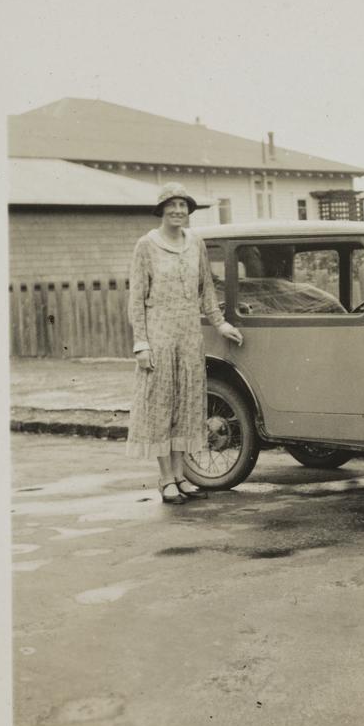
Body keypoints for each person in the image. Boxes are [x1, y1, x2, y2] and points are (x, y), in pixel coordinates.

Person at [126, 183, 243, 503]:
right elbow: (136, 298)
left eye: (183, 205)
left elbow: (205, 290)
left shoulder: (196, 244)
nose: (178, 210)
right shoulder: (145, 246)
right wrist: (141, 345)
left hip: (189, 336)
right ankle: (165, 479)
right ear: (162, 209)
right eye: (172, 204)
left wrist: (220, 324)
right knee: (161, 408)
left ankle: (181, 476)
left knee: (187, 406)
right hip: (159, 338)